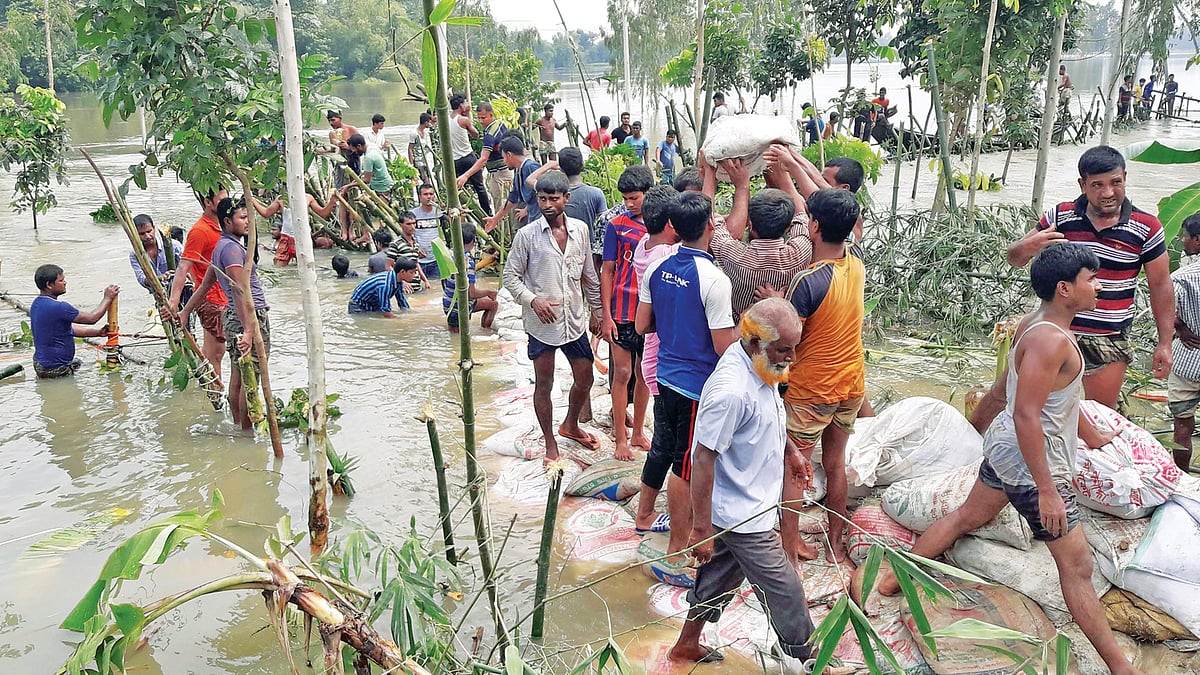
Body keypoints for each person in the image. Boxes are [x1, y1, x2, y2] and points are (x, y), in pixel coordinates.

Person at [877, 244, 1146, 675]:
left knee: (968, 515)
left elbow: (1043, 396)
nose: (1097, 286)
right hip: (1028, 457)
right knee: (1077, 568)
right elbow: (1027, 414)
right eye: (1090, 279)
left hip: (1006, 447)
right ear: (1065, 289)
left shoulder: (1036, 323)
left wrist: (1093, 437)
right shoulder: (1050, 340)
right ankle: (1120, 667)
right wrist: (1046, 491)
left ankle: (890, 581)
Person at [667, 298, 815, 668]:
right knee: (786, 590)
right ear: (754, 343)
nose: (791, 358)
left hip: (752, 502)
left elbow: (771, 419)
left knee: (718, 578)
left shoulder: (763, 369)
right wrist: (701, 529)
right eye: (784, 350)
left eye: (793, 348)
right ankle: (811, 657)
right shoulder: (730, 391)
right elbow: (703, 458)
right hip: (740, 516)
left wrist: (792, 453)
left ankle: (686, 646)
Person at [1003, 145, 1173, 412]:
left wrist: (1165, 343)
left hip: (1107, 336)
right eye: (1097, 185)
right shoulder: (1061, 217)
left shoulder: (1146, 227)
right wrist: (1029, 246)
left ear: (1125, 178)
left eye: (1115, 183)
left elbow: (1161, 287)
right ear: (1082, 185)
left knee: (1097, 415)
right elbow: (1015, 259)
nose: (1108, 193)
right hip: (1053, 330)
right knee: (1035, 408)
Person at [635, 191, 737, 562]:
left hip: (664, 376)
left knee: (674, 451)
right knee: (685, 464)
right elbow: (724, 345)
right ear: (712, 224)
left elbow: (643, 325)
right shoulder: (714, 280)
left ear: (674, 228)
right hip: (697, 386)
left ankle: (679, 532)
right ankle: (681, 542)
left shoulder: (655, 268)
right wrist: (750, 324)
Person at [782, 188, 864, 562]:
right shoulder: (857, 262)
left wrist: (777, 304)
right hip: (851, 385)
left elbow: (787, 341)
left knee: (796, 468)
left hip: (812, 390)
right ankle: (836, 541)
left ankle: (791, 544)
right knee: (835, 464)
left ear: (813, 227)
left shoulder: (808, 281)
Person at [503, 171, 604, 461]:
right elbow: (510, 276)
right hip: (541, 325)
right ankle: (550, 442)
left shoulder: (580, 231)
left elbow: (589, 277)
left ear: (566, 199)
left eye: (553, 199)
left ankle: (571, 424)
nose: (547, 204)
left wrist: (596, 311)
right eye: (542, 199)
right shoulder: (527, 236)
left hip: (572, 319)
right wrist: (533, 301)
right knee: (544, 383)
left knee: (585, 378)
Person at [179, 197, 271, 430]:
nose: (248, 222)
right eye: (242, 218)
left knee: (238, 375)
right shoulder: (231, 250)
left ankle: (239, 427)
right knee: (251, 377)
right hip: (247, 316)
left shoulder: (221, 245)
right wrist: (250, 330)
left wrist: (185, 312)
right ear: (228, 221)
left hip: (232, 315)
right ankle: (247, 430)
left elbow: (205, 285)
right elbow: (239, 290)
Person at [631, 185, 680, 532]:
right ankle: (646, 514)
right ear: (669, 224)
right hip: (663, 363)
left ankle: (648, 511)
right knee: (666, 445)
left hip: (655, 359)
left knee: (666, 442)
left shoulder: (644, 247)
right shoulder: (665, 259)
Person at [711, 160, 813, 322]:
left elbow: (712, 221)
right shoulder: (801, 252)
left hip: (741, 335)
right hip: (782, 334)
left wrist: (742, 186)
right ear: (788, 227)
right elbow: (801, 214)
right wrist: (783, 174)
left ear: (749, 224)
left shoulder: (733, 254)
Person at [601, 166, 655, 461]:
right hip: (622, 310)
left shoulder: (661, 226)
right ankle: (621, 437)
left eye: (634, 198)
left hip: (648, 312)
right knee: (621, 372)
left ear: (648, 193)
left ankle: (637, 432)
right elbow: (607, 270)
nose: (629, 203)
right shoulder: (616, 226)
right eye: (625, 198)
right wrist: (606, 315)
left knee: (644, 374)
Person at [169, 187, 229, 388]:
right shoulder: (200, 231)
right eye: (220, 201)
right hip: (211, 299)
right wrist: (174, 302)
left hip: (225, 297)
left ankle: (214, 392)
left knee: (217, 352)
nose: (225, 205)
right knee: (215, 355)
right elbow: (183, 266)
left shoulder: (223, 226)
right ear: (208, 202)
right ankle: (216, 397)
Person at [29, 264, 119, 379]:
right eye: (61, 280)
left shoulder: (37, 303)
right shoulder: (59, 307)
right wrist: (108, 298)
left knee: (79, 364)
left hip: (41, 364)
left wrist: (97, 333)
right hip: (56, 368)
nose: (65, 283)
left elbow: (68, 329)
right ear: (49, 285)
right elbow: (92, 318)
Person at [1170, 213, 1200, 472]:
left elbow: (1165, 309)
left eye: (1185, 236)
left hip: (1188, 362)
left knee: (1182, 428)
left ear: (1198, 241)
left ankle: (1181, 483)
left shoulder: (1182, 277)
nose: (1181, 240)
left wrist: (1180, 328)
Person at [251, 190, 338, 267]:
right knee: (279, 267)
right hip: (286, 237)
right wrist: (252, 200)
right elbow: (266, 213)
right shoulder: (282, 199)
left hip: (303, 238)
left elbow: (323, 213)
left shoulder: (307, 198)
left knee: (305, 267)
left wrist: (332, 201)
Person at [457, 102, 510, 221]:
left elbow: (483, 159)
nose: (480, 121)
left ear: (491, 115)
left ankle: (504, 234)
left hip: (500, 175)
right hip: (505, 171)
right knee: (506, 206)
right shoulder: (500, 125)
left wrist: (465, 176)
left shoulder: (490, 135)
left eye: (483, 118)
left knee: (500, 207)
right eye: (478, 118)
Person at [442, 223, 498, 332]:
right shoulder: (467, 262)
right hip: (460, 306)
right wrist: (489, 292)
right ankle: (485, 332)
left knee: (454, 334)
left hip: (448, 302)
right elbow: (471, 294)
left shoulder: (449, 254)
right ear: (473, 241)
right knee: (493, 304)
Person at [486, 136, 545, 230]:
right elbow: (512, 198)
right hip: (533, 219)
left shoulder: (531, 167)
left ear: (509, 155)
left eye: (504, 158)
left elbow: (544, 191)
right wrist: (495, 219)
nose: (504, 162)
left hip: (541, 219)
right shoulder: (519, 171)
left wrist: (526, 210)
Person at [449, 94, 490, 214]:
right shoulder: (463, 120)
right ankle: (487, 212)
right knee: (480, 188)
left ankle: (460, 212)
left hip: (454, 160)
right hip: (467, 157)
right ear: (461, 105)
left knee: (459, 188)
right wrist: (468, 116)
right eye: (466, 103)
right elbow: (476, 134)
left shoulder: (446, 119)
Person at [560, 147, 608, 246]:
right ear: (582, 165)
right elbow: (604, 223)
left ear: (561, 168)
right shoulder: (596, 193)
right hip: (587, 247)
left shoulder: (555, 195)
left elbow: (530, 180)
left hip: (562, 246)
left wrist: (548, 166)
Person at [347, 257, 418, 317]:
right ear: (402, 272)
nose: (414, 275)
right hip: (358, 307)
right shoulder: (385, 285)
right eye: (411, 272)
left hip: (372, 304)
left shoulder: (398, 281)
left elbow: (401, 301)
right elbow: (386, 312)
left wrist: (410, 314)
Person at [129, 214, 184, 291]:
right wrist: (160, 278)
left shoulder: (174, 245)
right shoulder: (135, 254)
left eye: (149, 231)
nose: (147, 236)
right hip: (159, 293)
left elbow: (189, 265)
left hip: (180, 288)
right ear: (135, 234)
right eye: (142, 234)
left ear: (154, 229)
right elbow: (142, 279)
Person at [386, 211, 430, 291]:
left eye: (414, 223)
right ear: (401, 225)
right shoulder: (395, 244)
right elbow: (388, 266)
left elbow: (416, 263)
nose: (412, 227)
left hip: (417, 286)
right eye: (408, 224)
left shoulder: (415, 243)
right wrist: (402, 282)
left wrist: (425, 280)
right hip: (404, 288)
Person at [346, 133, 395, 198]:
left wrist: (349, 186)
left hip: (382, 188)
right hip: (386, 183)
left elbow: (367, 180)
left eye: (354, 149)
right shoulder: (372, 146)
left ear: (359, 146)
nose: (354, 151)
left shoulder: (368, 157)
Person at [412, 183, 444, 281]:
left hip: (437, 259)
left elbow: (455, 224)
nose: (429, 197)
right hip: (418, 260)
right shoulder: (413, 214)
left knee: (437, 286)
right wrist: (415, 247)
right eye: (425, 194)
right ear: (420, 197)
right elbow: (406, 234)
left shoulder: (440, 213)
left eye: (431, 194)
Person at [408, 112, 437, 188]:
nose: (430, 124)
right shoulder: (414, 134)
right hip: (418, 161)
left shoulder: (425, 133)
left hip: (425, 160)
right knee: (425, 180)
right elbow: (410, 149)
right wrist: (411, 164)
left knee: (428, 179)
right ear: (426, 122)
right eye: (429, 122)